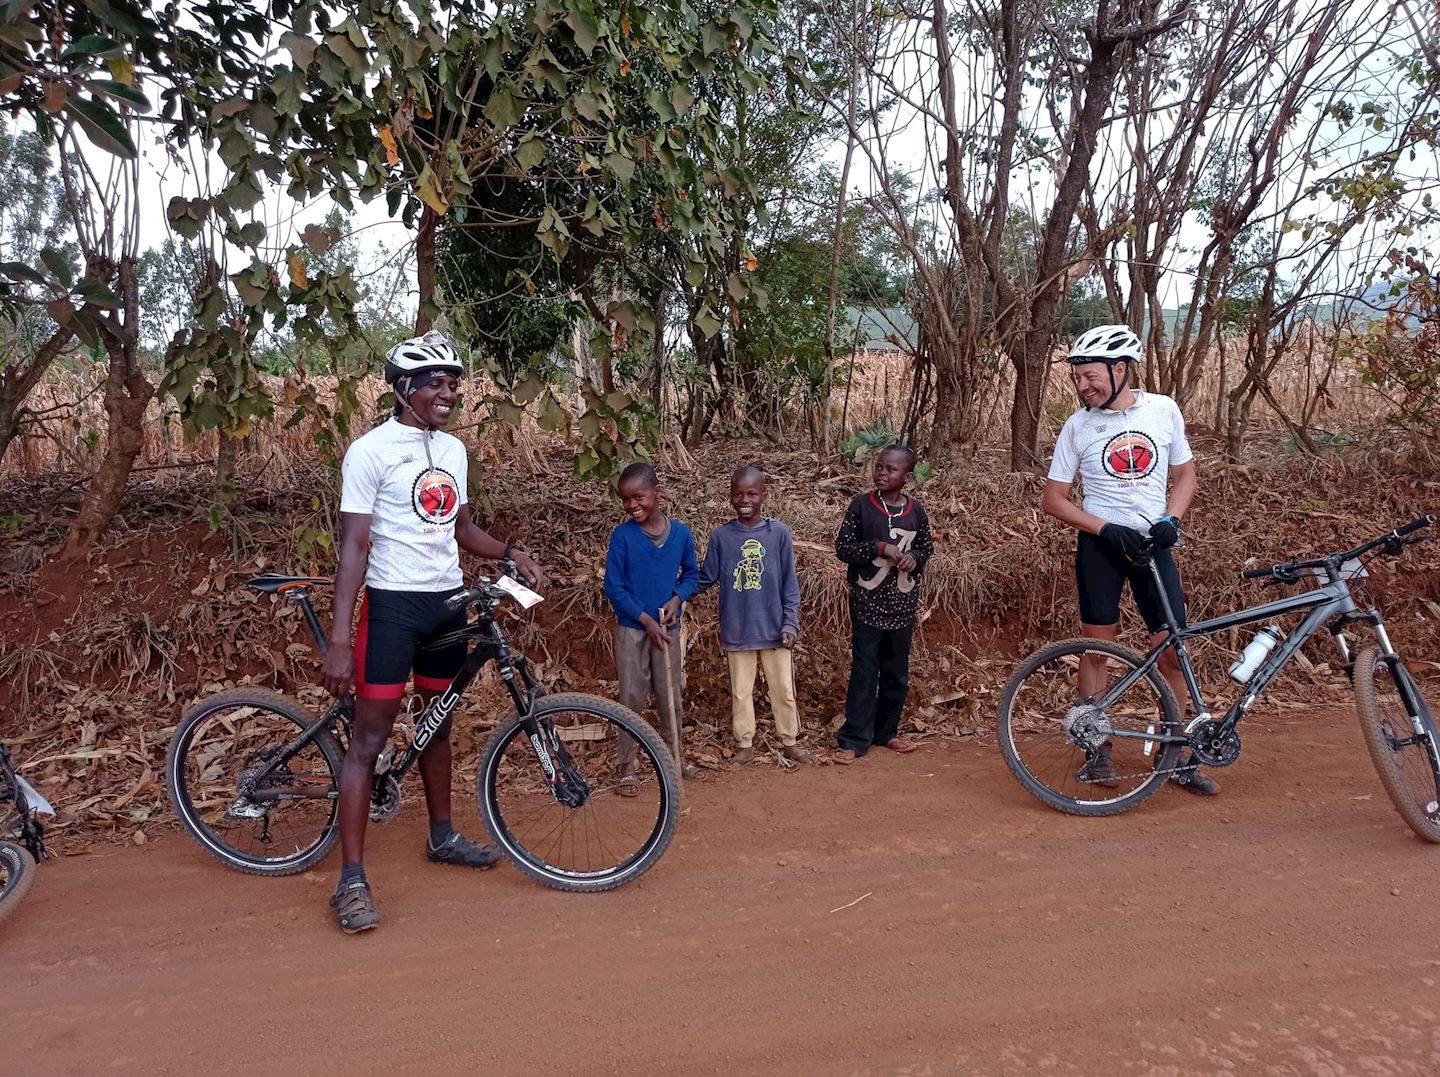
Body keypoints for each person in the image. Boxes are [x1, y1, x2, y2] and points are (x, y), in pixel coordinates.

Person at [318, 330, 547, 934]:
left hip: (446, 605)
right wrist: (341, 638)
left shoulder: (452, 451)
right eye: (435, 383)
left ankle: (441, 835)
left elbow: (460, 528)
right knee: (367, 742)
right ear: (404, 390)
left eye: (454, 383)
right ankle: (351, 881)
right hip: (393, 608)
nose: (449, 392)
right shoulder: (369, 452)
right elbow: (355, 546)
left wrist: (510, 551)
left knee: (436, 724)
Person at [1041, 323, 1219, 795]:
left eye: (1091, 376)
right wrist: (1105, 528)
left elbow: (1185, 475)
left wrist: (1172, 521)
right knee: (1096, 648)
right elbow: (1054, 499)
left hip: (1153, 545)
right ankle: (1095, 746)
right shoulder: (1078, 425)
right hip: (1101, 546)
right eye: (1077, 378)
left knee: (1172, 652)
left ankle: (1175, 750)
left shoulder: (1163, 410)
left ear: (1120, 370)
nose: (1083, 386)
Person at [696, 465, 813, 767]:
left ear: (763, 495)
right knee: (741, 692)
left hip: (775, 629)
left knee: (784, 690)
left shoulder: (779, 534)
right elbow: (705, 577)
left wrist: (790, 622)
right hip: (738, 628)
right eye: (738, 494)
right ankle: (744, 743)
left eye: (752, 493)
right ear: (730, 497)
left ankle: (789, 740)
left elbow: (789, 583)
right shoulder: (721, 536)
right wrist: (673, 591)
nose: (744, 499)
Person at [830, 445, 934, 764]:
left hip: (902, 606)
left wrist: (913, 558)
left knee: (896, 672)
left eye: (891, 469)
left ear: (907, 476)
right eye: (879, 467)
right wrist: (879, 548)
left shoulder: (916, 512)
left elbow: (926, 548)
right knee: (864, 670)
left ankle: (886, 732)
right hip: (866, 603)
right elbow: (843, 548)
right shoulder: (861, 506)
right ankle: (854, 738)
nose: (882, 473)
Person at [603, 461, 702, 791]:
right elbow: (615, 588)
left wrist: (676, 600)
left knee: (669, 695)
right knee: (631, 695)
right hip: (634, 630)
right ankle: (627, 765)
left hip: (667, 630)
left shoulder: (681, 534)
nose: (632, 506)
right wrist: (646, 620)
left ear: (657, 494)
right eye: (625, 500)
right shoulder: (623, 537)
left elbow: (691, 575)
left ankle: (675, 756)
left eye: (639, 497)